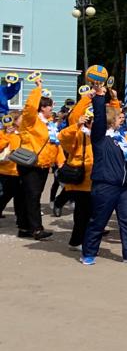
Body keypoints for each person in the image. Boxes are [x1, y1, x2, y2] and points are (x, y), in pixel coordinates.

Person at [81, 88, 127, 265]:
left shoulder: (121, 138)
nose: (121, 120)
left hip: (125, 186)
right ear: (111, 120)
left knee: (126, 221)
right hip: (105, 185)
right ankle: (88, 253)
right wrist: (100, 98)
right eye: (118, 118)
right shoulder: (99, 137)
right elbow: (100, 118)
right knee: (98, 221)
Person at [15, 76, 58, 240]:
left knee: (31, 195)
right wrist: (37, 89)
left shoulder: (49, 123)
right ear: (42, 108)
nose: (52, 109)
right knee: (32, 196)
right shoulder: (31, 121)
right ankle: (36, 229)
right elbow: (29, 107)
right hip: (30, 163)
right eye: (50, 106)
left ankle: (25, 227)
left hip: (42, 164)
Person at [57, 95, 93, 249]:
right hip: (82, 179)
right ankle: (77, 241)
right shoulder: (79, 133)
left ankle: (83, 240)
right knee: (82, 213)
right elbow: (63, 137)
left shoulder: (100, 134)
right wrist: (76, 124)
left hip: (95, 178)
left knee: (90, 213)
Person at [0, 113, 22, 223]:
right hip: (5, 170)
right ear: (15, 120)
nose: (23, 120)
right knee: (5, 196)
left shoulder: (21, 133)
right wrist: (7, 135)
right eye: (21, 118)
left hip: (18, 171)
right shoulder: (3, 133)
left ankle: (20, 220)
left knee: (19, 197)